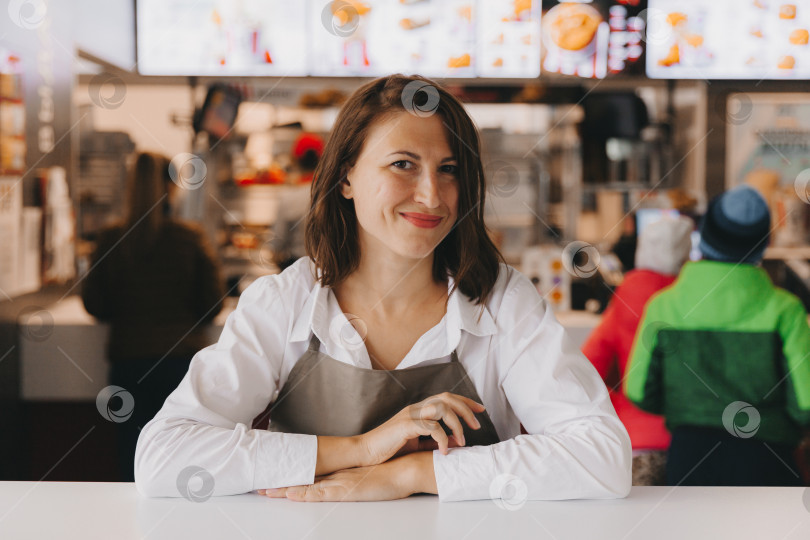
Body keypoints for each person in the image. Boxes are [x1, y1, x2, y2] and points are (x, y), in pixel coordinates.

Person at [135, 74, 631, 502]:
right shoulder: (285, 303)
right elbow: (163, 457)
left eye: (449, 169)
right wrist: (363, 449)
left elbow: (604, 456)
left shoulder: (502, 301)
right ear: (347, 176)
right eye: (403, 164)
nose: (432, 195)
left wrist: (408, 474)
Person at [625, 185, 810, 486]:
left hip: (690, 461)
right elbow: (805, 403)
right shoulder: (786, 310)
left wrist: (688, 410)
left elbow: (639, 391)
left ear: (705, 233)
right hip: (769, 464)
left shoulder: (664, 306)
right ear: (763, 243)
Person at [82, 152, 225, 481]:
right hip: (179, 364)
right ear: (172, 188)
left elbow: (95, 304)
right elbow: (213, 304)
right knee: (181, 460)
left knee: (131, 459)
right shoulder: (190, 238)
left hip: (128, 365)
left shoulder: (110, 239)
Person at [582, 215, 693, 486]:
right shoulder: (696, 300)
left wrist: (619, 406)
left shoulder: (624, 300)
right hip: (691, 441)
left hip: (635, 441)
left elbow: (586, 371)